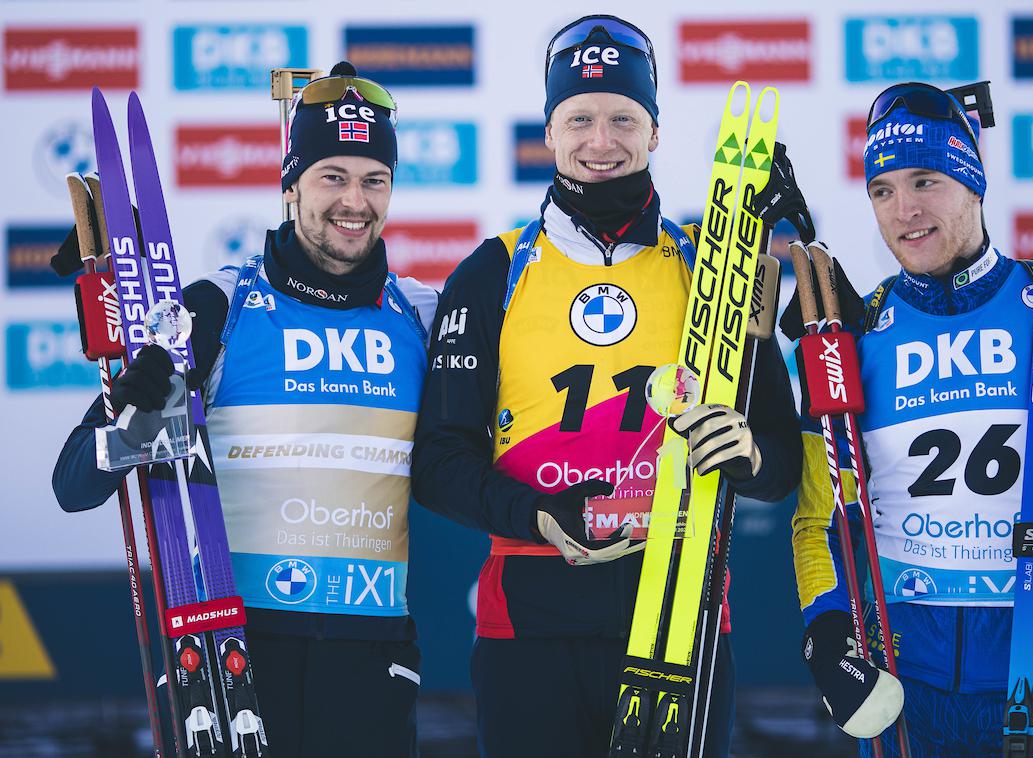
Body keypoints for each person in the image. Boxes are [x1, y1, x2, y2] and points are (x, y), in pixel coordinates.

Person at [411, 15, 802, 758]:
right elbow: (437, 463)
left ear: (653, 131)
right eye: (580, 118)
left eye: (624, 117)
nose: (601, 140)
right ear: (549, 132)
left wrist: (746, 454)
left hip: (678, 615)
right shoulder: (490, 273)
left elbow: (780, 462)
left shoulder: (712, 272)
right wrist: (536, 513)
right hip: (527, 623)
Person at [51, 62, 436, 757]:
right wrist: (129, 432)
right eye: (332, 177)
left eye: (374, 179)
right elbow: (72, 484)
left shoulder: (420, 315)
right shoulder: (218, 307)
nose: (355, 200)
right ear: (291, 184)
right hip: (236, 651)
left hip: (372, 653)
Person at [785, 81, 1033, 755]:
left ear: (973, 181)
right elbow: (819, 519)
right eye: (882, 190)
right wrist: (826, 640)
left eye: (925, 180)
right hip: (908, 695)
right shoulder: (853, 337)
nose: (904, 210)